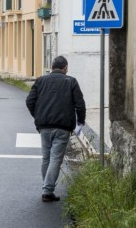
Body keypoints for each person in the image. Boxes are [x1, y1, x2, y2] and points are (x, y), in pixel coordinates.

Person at [25, 55, 86, 202]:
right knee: (55, 159)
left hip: (44, 126)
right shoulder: (71, 81)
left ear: (52, 67)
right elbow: (80, 104)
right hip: (62, 127)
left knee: (46, 158)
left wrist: (38, 116)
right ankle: (47, 191)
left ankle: (47, 187)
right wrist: (80, 122)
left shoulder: (40, 80)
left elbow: (29, 101)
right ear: (65, 68)